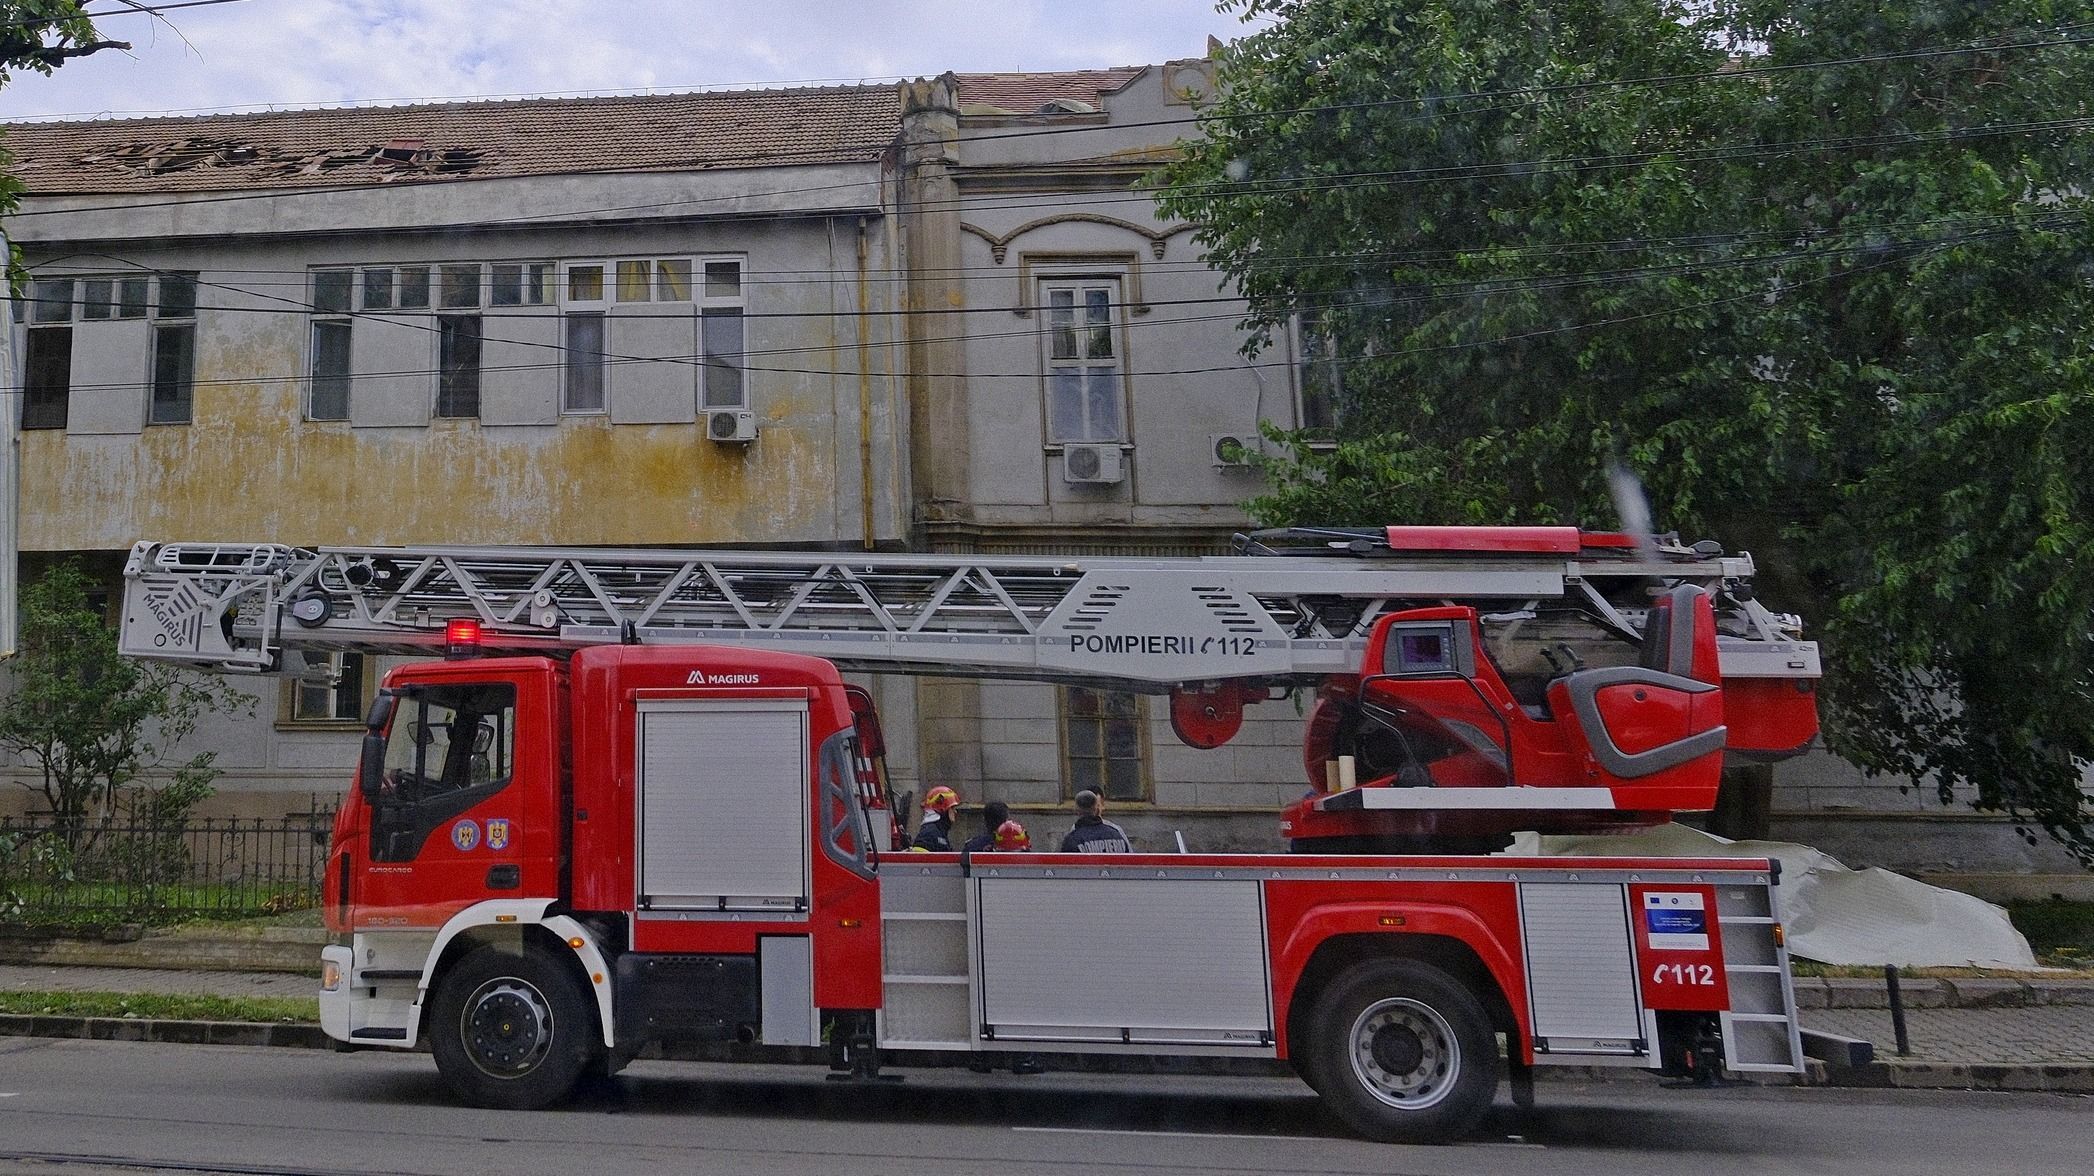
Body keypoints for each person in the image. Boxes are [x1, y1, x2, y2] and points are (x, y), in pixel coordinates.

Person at [1057, 789, 1131, 853]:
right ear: (1097, 809)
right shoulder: (1116, 834)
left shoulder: (1072, 840)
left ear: (1076, 810)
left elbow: (1067, 868)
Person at [910, 785, 960, 851]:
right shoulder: (928, 834)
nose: (955, 812)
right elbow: (919, 860)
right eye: (952, 808)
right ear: (942, 810)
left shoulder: (939, 832)